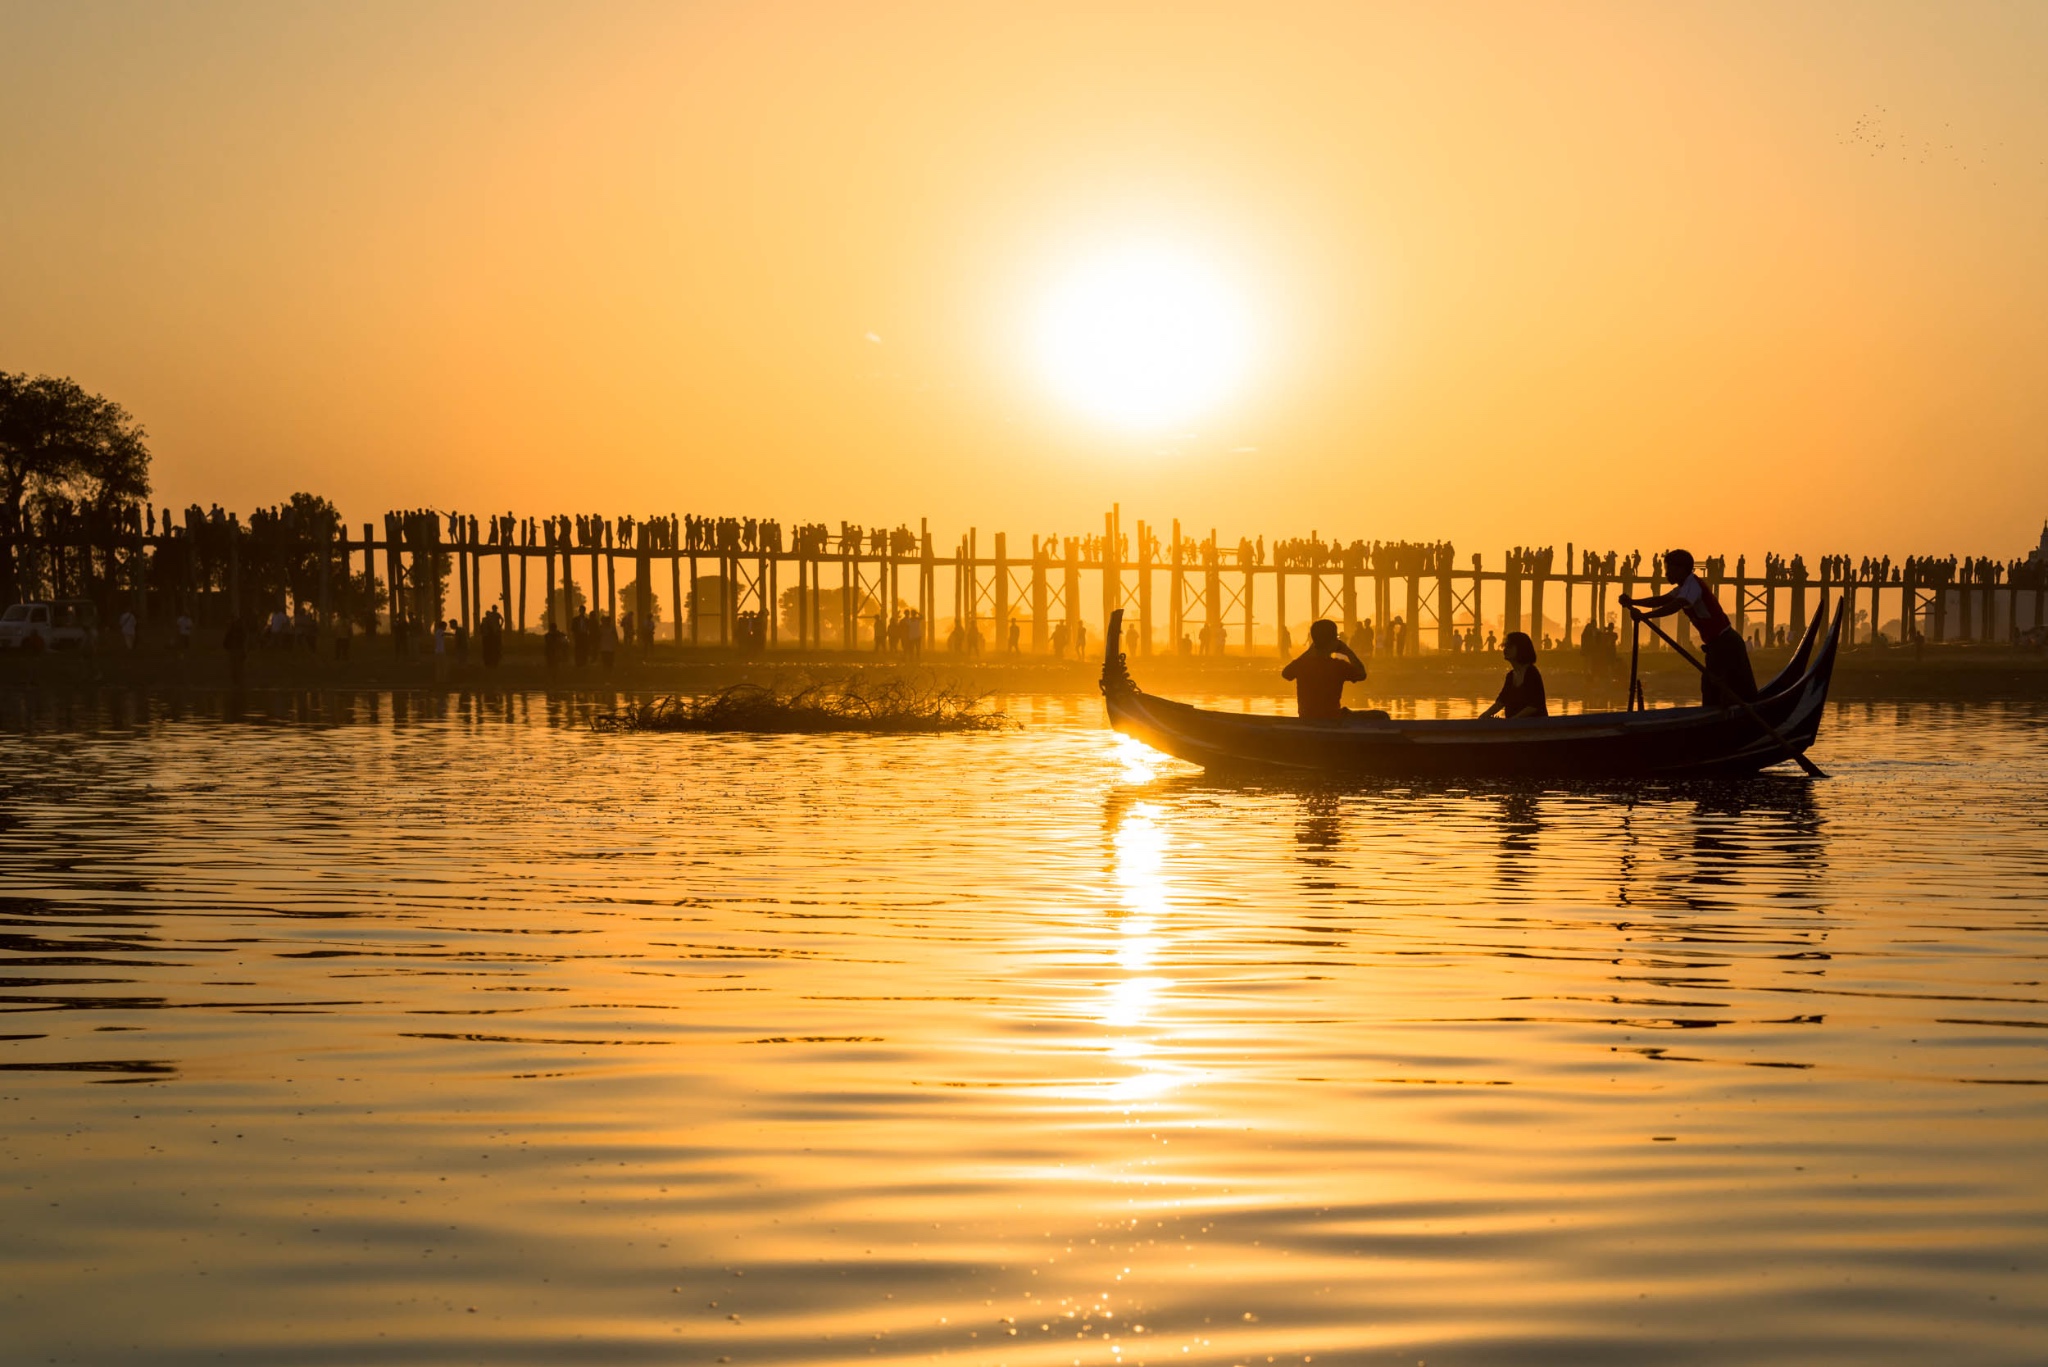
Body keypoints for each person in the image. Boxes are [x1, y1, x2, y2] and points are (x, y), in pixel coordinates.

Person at [1622, 549, 1756, 705]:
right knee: (1712, 689)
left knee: (1732, 691)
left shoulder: (1693, 586)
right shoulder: (1683, 587)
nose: (1666, 574)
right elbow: (1661, 600)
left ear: (1681, 569)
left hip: (1727, 644)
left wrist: (1645, 616)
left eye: (1669, 569)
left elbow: (1675, 606)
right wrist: (1632, 602)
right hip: (1716, 645)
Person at [1280, 618, 1367, 720]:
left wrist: (1309, 651)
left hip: (1306, 718)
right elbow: (1362, 674)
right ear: (1334, 641)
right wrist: (1348, 652)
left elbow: (1286, 674)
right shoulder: (1339, 666)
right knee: (1381, 715)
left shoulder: (1302, 664)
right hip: (1332, 718)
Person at [1479, 631, 1547, 719]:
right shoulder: (1510, 676)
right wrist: (1485, 715)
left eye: (1509, 646)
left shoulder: (1531, 673)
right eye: (1504, 646)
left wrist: (1513, 720)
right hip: (1513, 724)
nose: (1505, 649)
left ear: (1521, 649)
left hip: (1533, 726)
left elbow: (1534, 706)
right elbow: (1501, 701)